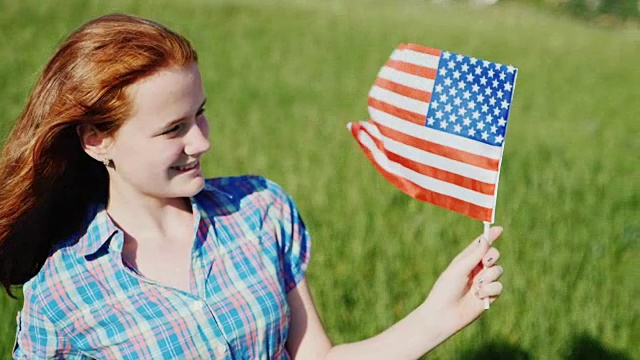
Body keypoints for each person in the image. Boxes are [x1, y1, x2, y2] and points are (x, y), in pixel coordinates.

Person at [0, 14, 505, 359]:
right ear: (97, 141)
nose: (201, 141)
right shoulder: (63, 292)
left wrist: (439, 315)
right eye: (172, 129)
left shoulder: (260, 210)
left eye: (200, 114)